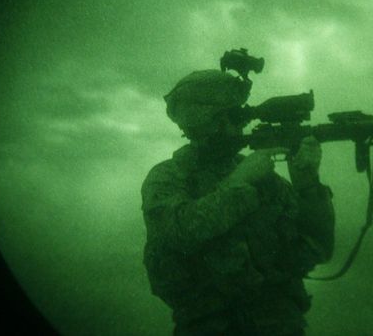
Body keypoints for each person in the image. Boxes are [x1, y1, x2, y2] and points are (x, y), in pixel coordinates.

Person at [141, 70, 335, 335]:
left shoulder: (266, 180)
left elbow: (317, 249)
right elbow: (180, 233)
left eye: (239, 117)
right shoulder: (168, 177)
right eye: (230, 118)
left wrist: (307, 184)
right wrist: (239, 184)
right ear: (202, 122)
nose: (239, 126)